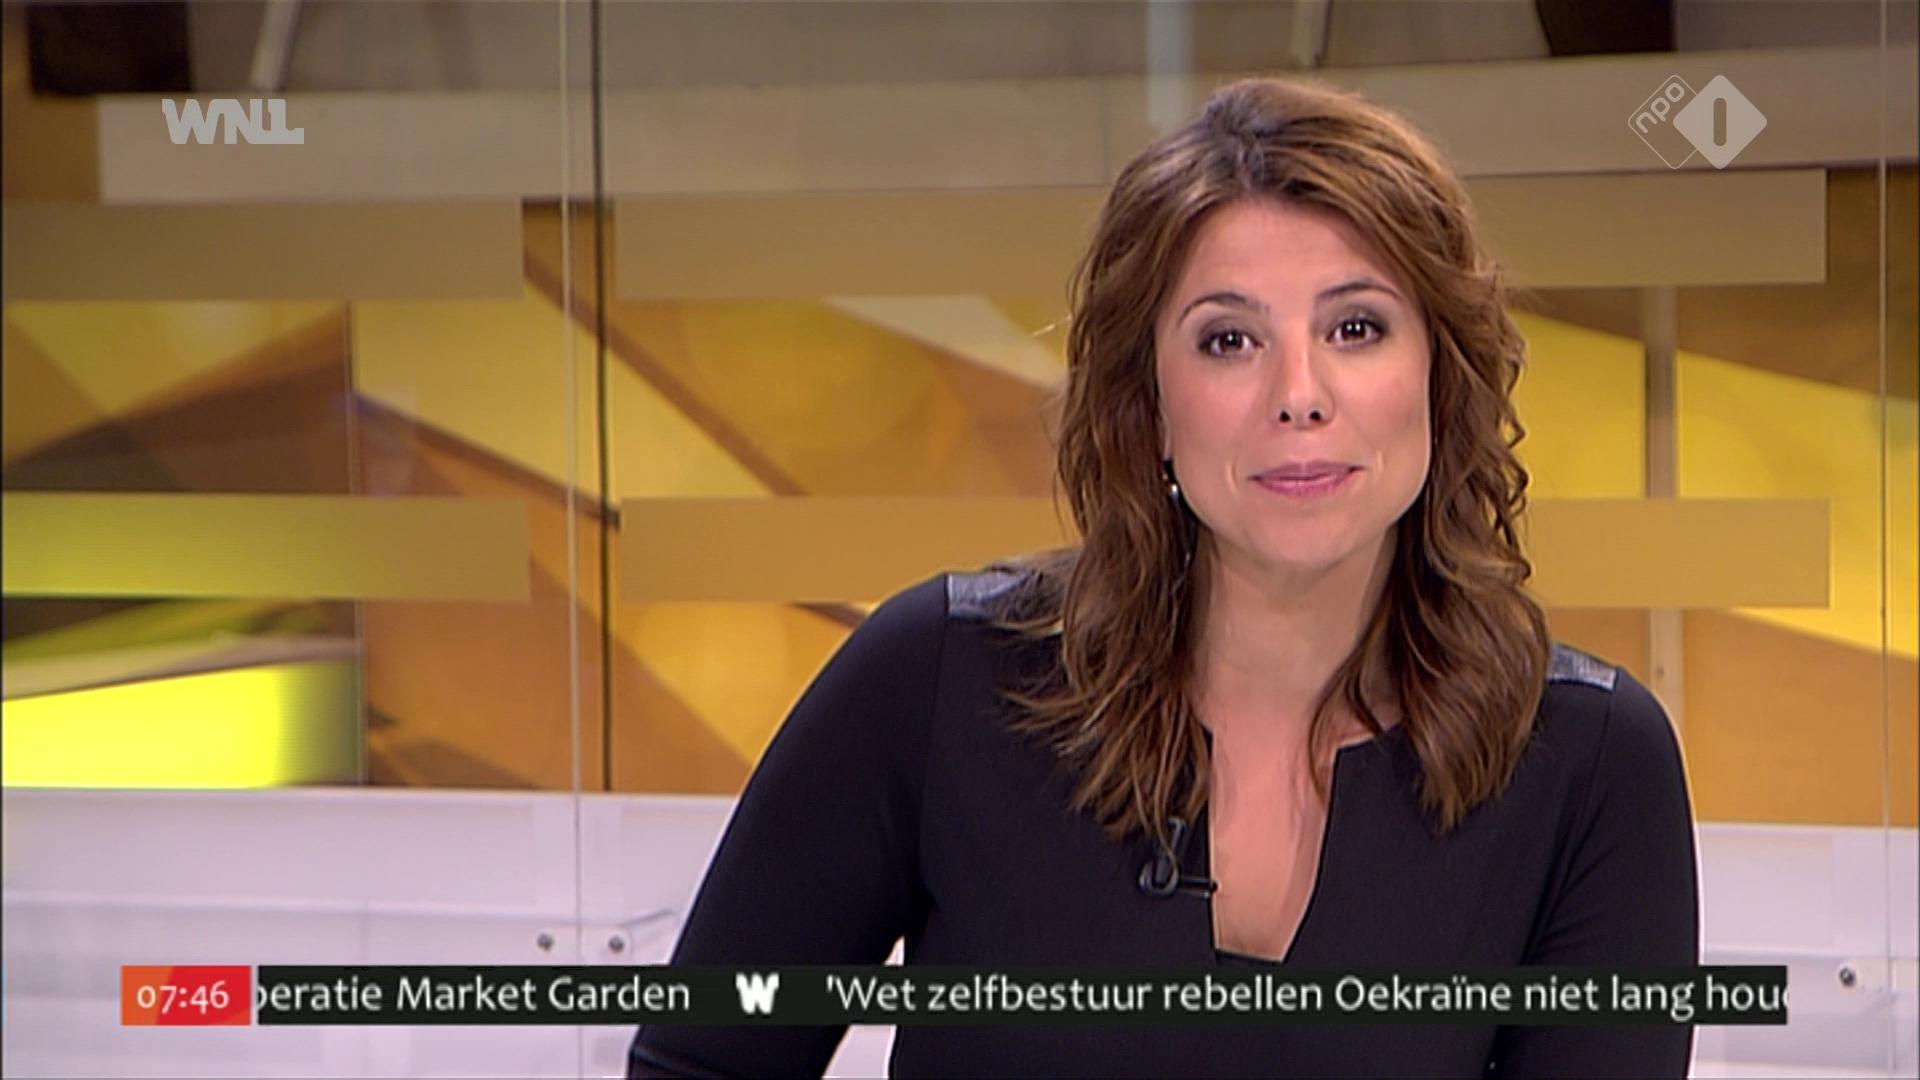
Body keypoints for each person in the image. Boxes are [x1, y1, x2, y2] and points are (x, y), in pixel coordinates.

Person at [628, 76, 1698, 1079]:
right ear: (1149, 405)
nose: (1300, 393)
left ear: (1439, 376)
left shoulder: (1590, 764)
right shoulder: (938, 681)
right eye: (1229, 340)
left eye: (1356, 327)